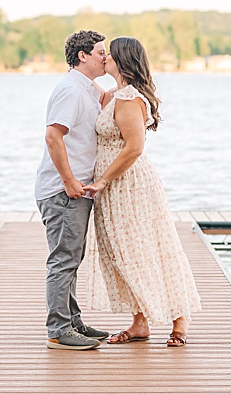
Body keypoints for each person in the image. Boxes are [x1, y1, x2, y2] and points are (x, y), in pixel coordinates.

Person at [83, 36, 202, 347]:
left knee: (149, 249)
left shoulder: (129, 99)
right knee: (121, 253)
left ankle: (180, 320)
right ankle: (139, 323)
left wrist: (102, 181)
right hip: (111, 187)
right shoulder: (110, 95)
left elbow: (134, 148)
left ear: (122, 60)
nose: (104, 58)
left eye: (109, 54)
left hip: (129, 185)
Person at [33, 30, 112, 350]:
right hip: (64, 189)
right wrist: (68, 182)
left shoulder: (85, 87)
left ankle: (73, 321)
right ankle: (58, 330)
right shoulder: (69, 90)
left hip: (77, 189)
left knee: (72, 257)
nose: (105, 58)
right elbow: (53, 136)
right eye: (100, 53)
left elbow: (113, 97)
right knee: (64, 259)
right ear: (82, 56)